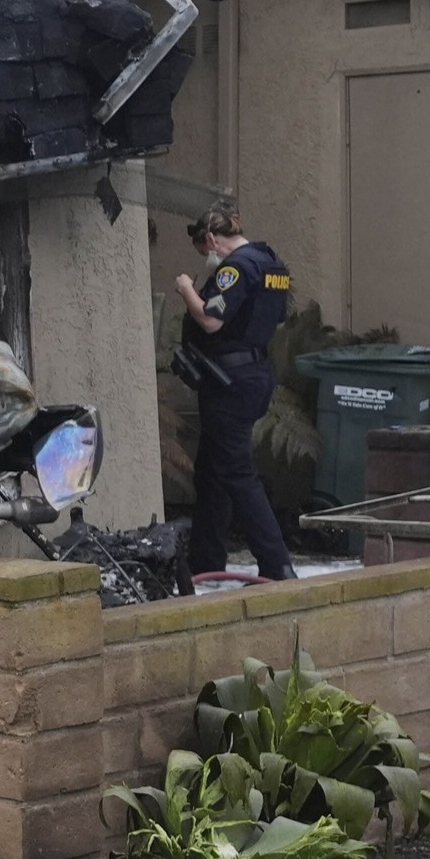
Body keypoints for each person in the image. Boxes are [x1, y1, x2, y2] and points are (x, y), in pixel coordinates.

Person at [173, 203, 295, 582]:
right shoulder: (271, 264)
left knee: (238, 473)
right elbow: (274, 318)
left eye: (203, 250)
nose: (206, 257)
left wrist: (187, 289)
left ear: (211, 238)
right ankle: (206, 561)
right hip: (251, 373)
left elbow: (210, 319)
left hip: (231, 382)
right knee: (211, 472)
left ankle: (277, 565)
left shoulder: (237, 268)